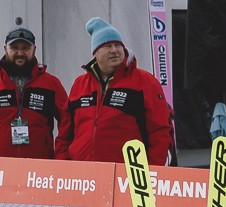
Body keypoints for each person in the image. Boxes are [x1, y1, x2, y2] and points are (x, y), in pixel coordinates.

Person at [59, 17, 175, 165]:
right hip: (83, 173)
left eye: (118, 45)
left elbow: (160, 131)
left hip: (129, 172)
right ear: (95, 53)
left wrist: (152, 171)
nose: (114, 50)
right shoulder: (79, 84)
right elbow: (65, 134)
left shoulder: (145, 81)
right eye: (107, 46)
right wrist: (63, 165)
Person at [0, 27, 70, 159]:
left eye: (25, 48)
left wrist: (62, 158)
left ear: (34, 49)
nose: (20, 53)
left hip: (38, 169)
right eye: (14, 48)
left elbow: (68, 120)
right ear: (5, 49)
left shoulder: (51, 84)